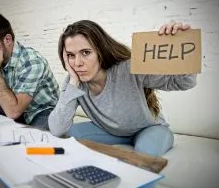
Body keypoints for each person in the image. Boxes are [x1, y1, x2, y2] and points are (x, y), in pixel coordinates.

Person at [48, 20, 197, 156]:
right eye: (70, 55)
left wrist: (181, 45)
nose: (77, 63)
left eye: (86, 53)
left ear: (101, 51)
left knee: (143, 154)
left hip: (149, 129)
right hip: (111, 132)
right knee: (62, 135)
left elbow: (184, 83)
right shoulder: (74, 82)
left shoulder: (129, 68)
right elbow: (57, 128)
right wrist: (73, 81)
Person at [0, 11, 59, 129]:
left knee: (36, 138)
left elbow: (13, 112)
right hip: (14, 109)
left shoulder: (32, 62)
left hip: (41, 112)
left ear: (7, 40)